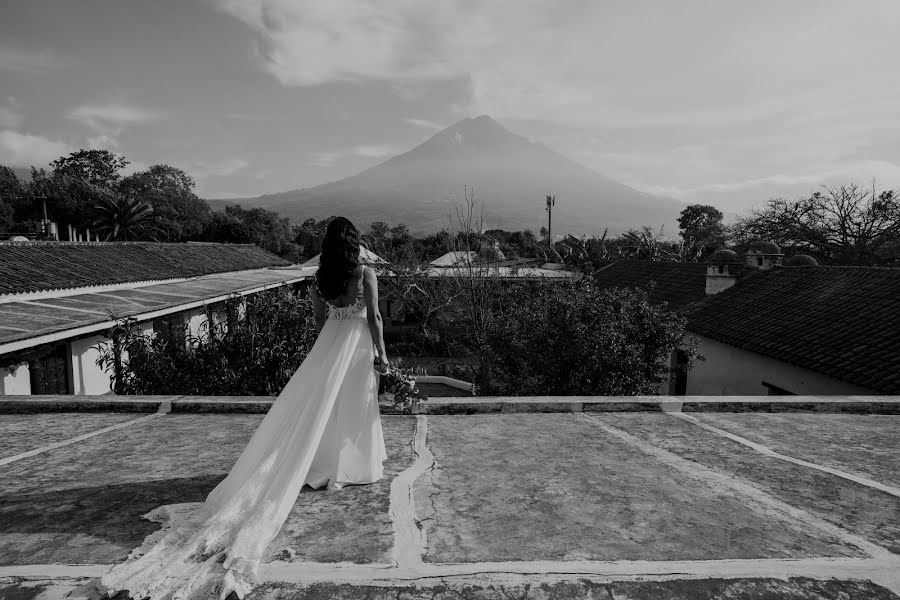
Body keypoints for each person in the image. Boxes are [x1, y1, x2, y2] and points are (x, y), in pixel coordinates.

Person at [101, 217, 389, 600]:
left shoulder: (319, 279)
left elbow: (320, 323)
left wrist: (326, 356)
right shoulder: (365, 273)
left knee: (324, 409)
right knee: (352, 404)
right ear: (355, 243)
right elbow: (375, 317)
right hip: (355, 349)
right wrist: (383, 354)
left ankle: (320, 465)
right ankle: (351, 466)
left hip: (328, 349)